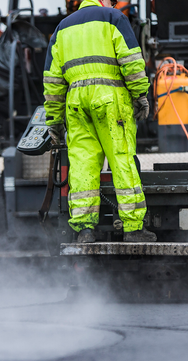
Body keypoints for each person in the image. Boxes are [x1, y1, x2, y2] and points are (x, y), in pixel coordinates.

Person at [43, 0, 157, 243]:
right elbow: (132, 61)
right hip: (110, 100)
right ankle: (133, 228)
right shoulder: (114, 17)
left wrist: (54, 119)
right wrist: (140, 95)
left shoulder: (62, 28)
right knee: (121, 159)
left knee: (83, 163)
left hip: (75, 103)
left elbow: (52, 81)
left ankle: (85, 230)